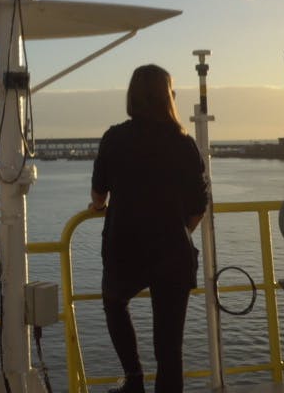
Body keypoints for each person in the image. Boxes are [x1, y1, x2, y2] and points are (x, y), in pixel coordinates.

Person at [90, 64, 210, 393]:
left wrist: (98, 207)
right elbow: (198, 205)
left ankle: (133, 379)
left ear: (132, 97)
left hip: (124, 247)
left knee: (114, 302)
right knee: (170, 350)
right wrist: (179, 231)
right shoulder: (183, 143)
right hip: (172, 250)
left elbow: (99, 193)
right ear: (168, 97)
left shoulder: (115, 138)